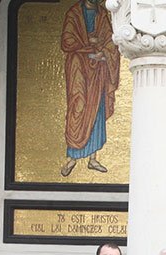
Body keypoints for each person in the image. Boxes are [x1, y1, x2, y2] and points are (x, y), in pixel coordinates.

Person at [60, 0, 119, 177]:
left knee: (97, 108)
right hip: (79, 67)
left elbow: (111, 41)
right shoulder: (74, 14)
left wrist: (104, 52)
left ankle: (93, 159)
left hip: (98, 68)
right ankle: (72, 158)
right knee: (79, 105)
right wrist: (88, 42)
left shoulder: (102, 14)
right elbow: (67, 41)